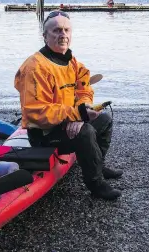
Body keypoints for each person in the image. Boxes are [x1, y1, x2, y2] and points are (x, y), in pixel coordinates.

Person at [14, 11, 122, 201]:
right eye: (56, 30)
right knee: (86, 132)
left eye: (66, 30)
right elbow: (35, 112)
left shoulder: (71, 61)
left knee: (104, 120)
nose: (62, 34)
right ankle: (95, 184)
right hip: (44, 134)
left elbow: (84, 88)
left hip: (65, 122)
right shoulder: (35, 67)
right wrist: (77, 115)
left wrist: (81, 111)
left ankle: (97, 164)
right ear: (45, 36)